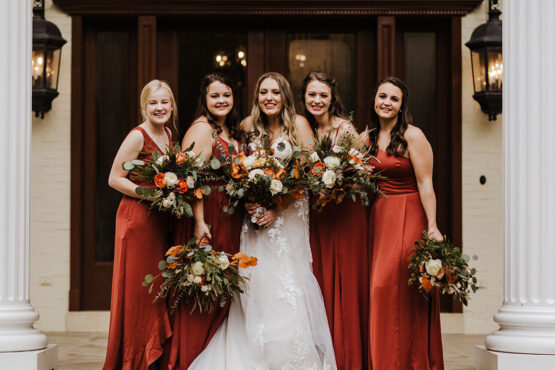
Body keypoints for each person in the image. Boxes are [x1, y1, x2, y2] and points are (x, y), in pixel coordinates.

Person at [188, 72, 337, 370]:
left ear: (284, 96)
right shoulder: (246, 127)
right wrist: (250, 201)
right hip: (254, 219)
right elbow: (236, 174)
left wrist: (277, 209)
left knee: (287, 283)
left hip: (288, 218)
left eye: (275, 92)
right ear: (256, 96)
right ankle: (257, 353)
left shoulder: (299, 125)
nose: (269, 97)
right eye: (263, 92)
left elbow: (311, 176)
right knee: (256, 283)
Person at [162, 73, 244, 369]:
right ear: (205, 100)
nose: (221, 100)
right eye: (215, 96)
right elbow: (191, 178)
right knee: (204, 286)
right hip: (208, 214)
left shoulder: (228, 129)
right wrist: (199, 222)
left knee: (222, 289)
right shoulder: (201, 128)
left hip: (229, 215)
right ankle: (188, 358)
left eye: (226, 95)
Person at [367, 77, 444, 369]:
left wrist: (433, 225)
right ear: (374, 99)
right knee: (381, 293)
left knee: (388, 287)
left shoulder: (413, 135)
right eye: (382, 96)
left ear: (401, 105)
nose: (386, 102)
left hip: (408, 213)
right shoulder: (367, 138)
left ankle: (410, 362)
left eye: (393, 99)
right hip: (378, 217)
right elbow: (363, 182)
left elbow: (426, 184)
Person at [104, 79, 176, 370]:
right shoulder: (138, 135)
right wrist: (150, 193)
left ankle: (152, 356)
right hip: (136, 221)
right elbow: (114, 177)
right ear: (143, 106)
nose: (159, 108)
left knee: (154, 290)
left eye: (164, 102)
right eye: (153, 103)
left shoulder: (169, 134)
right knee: (136, 292)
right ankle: (133, 360)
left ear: (172, 105)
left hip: (158, 222)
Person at [303, 71, 369, 370]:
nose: (317, 100)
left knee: (344, 282)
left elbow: (363, 175)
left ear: (332, 99)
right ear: (304, 97)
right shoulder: (303, 129)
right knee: (319, 281)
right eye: (312, 95)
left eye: (323, 95)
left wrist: (343, 188)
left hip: (344, 215)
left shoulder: (345, 129)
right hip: (317, 216)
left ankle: (347, 357)